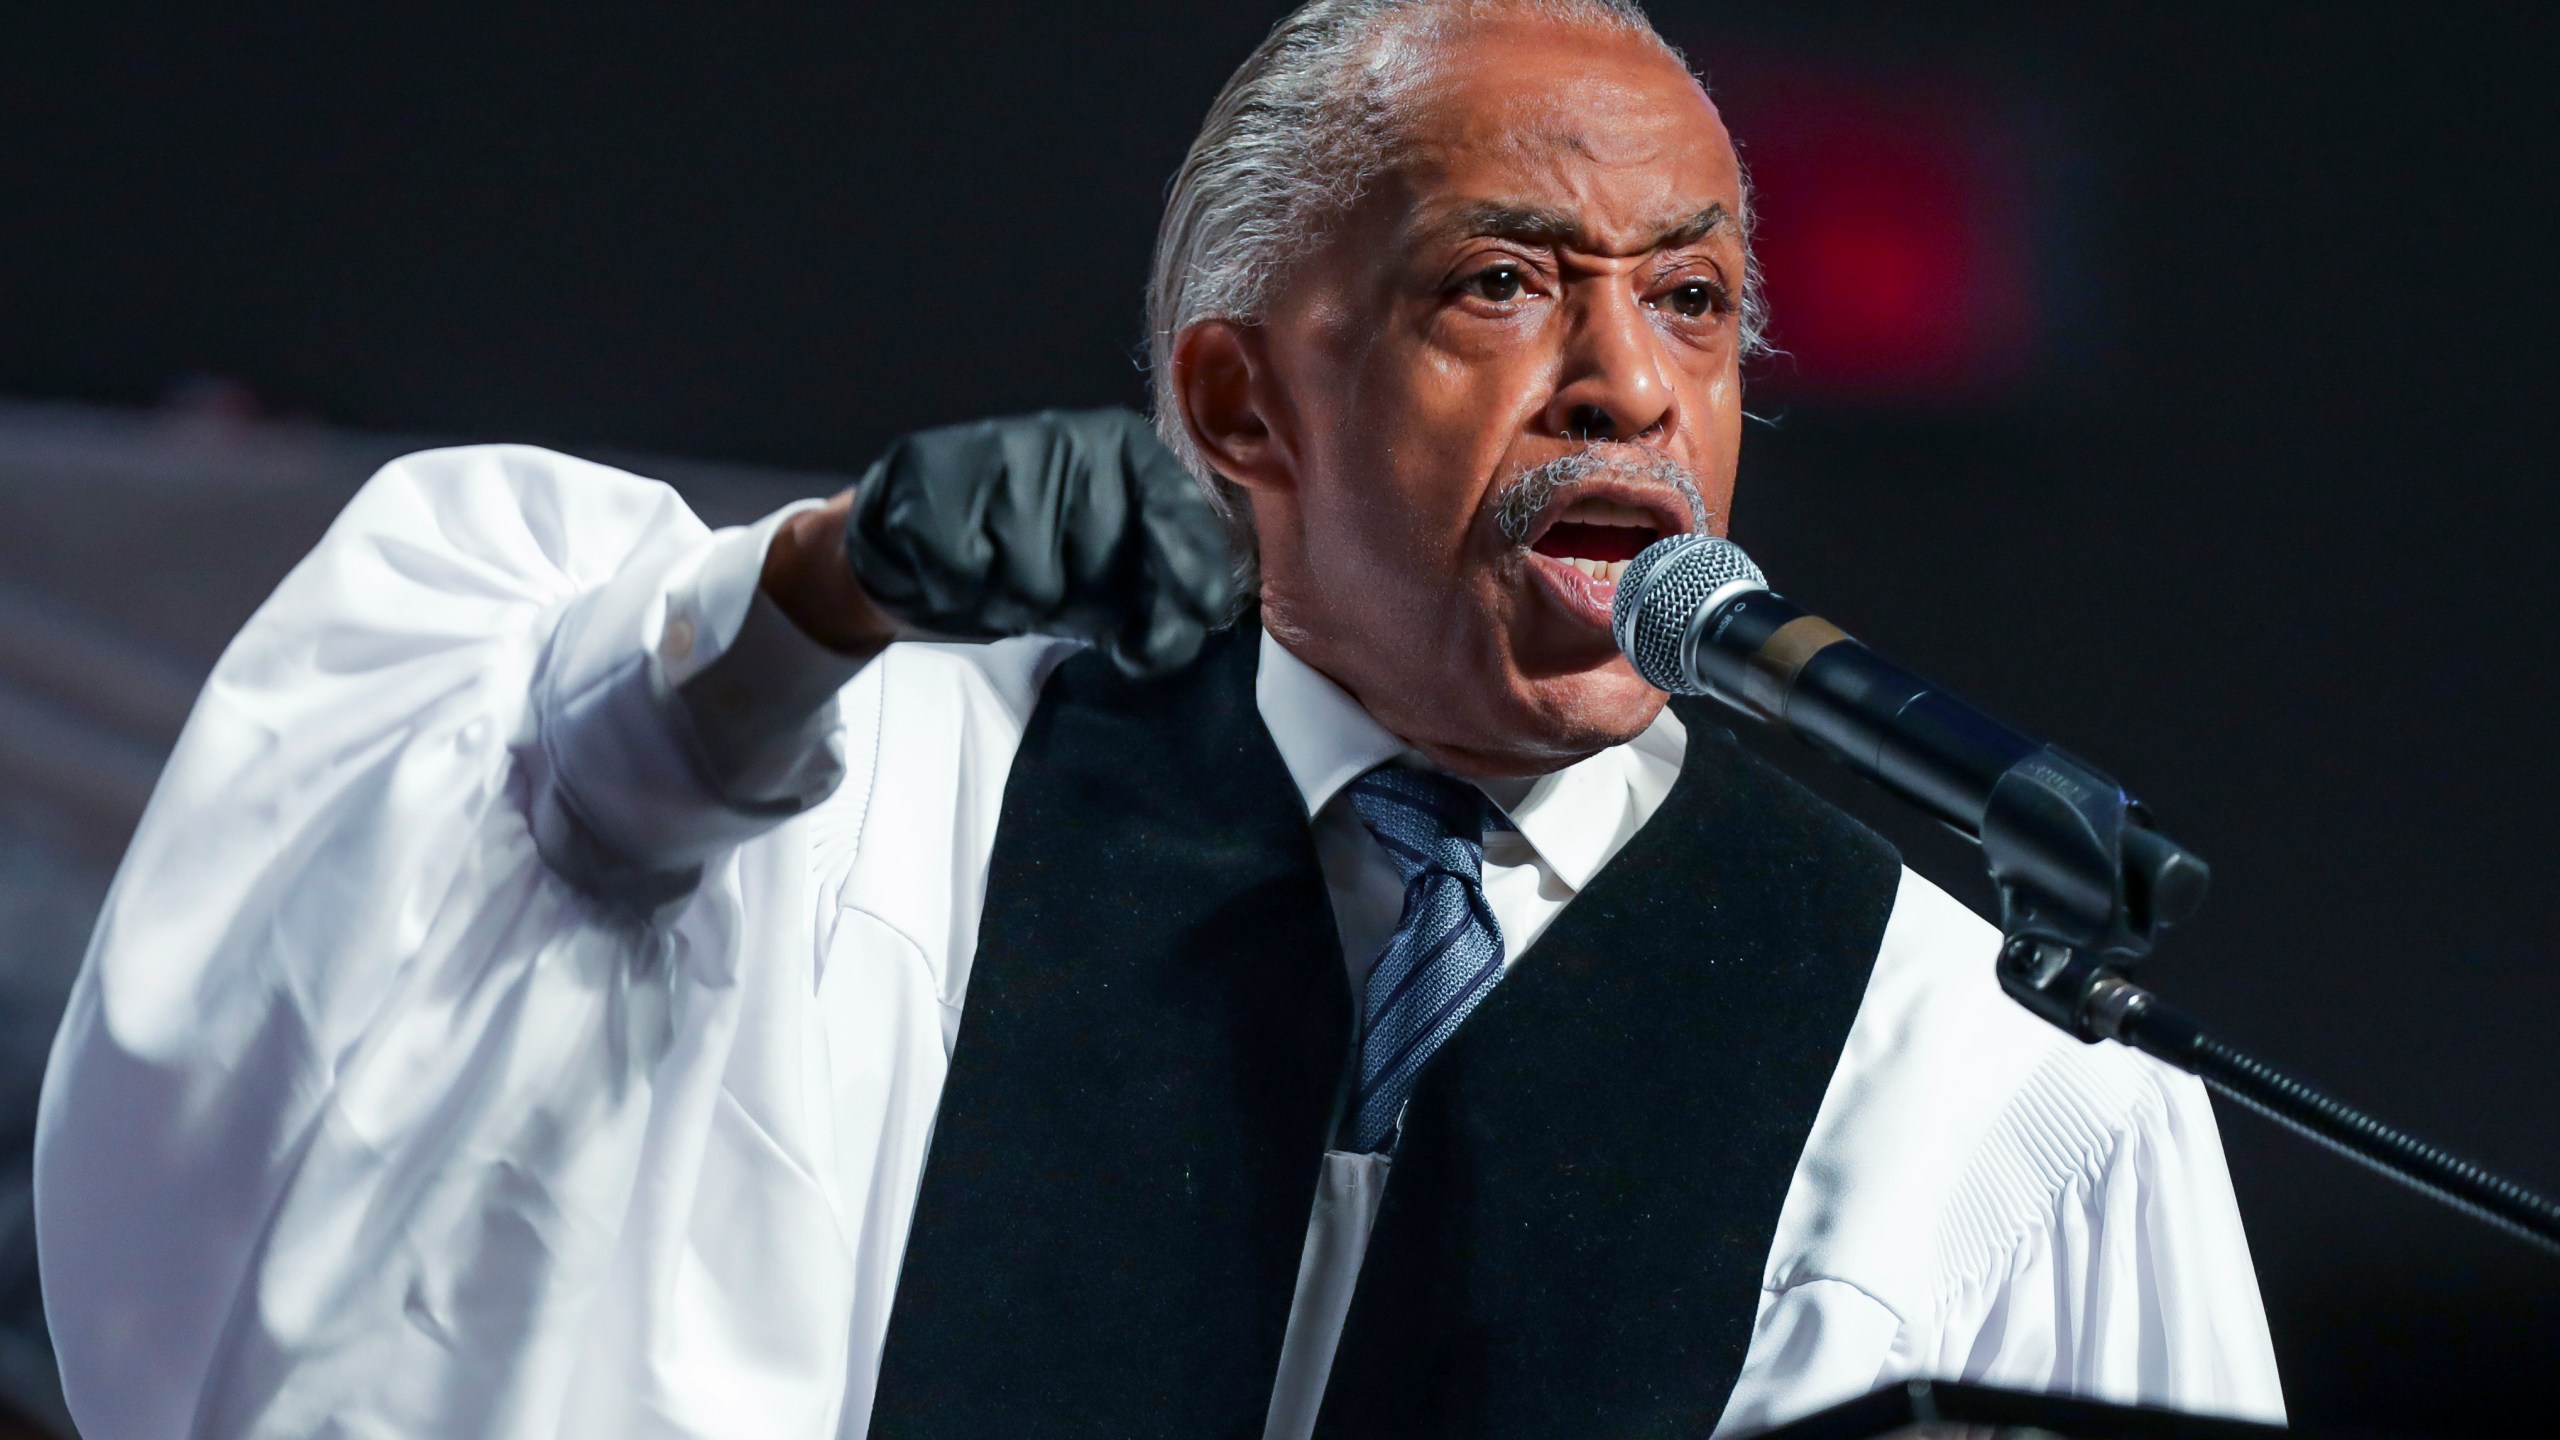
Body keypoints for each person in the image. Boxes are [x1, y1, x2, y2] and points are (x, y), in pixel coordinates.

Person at [35, 1, 2286, 1436]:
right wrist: (826, 588)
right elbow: (530, 826)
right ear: (1235, 397)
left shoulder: (1966, 1068)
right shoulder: (885, 803)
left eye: (1690, 301)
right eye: (1499, 282)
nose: (1622, 384)